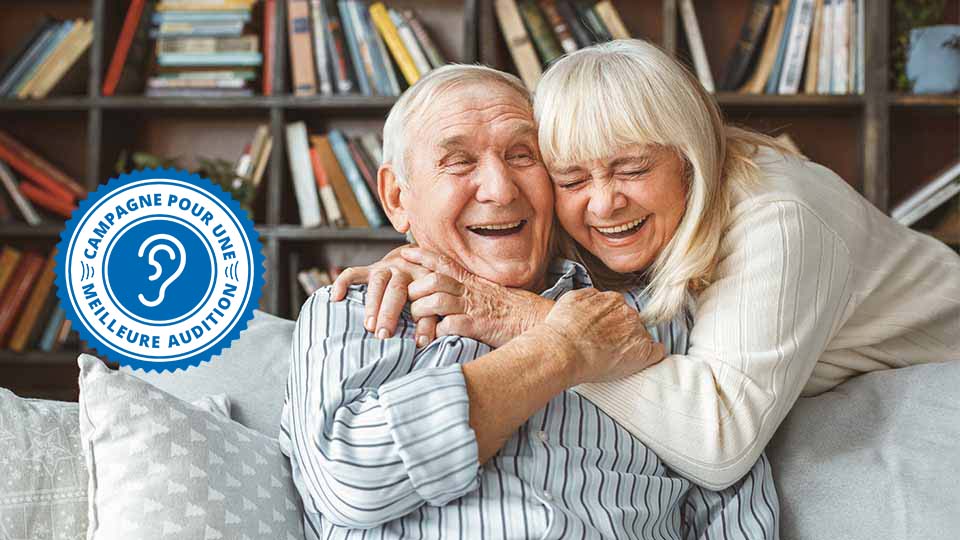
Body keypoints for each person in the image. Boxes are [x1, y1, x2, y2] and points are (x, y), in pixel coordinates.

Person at [333, 39, 960, 490]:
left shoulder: (781, 219)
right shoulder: (606, 215)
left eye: (633, 168)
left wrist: (534, 324)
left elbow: (719, 444)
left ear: (689, 158)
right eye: (571, 176)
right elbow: (499, 239)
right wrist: (422, 253)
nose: (604, 203)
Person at [280, 64, 778, 539]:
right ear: (395, 197)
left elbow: (730, 502)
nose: (500, 190)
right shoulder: (358, 309)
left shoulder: (654, 314)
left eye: (523, 155)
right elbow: (350, 480)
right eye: (459, 162)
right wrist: (562, 349)